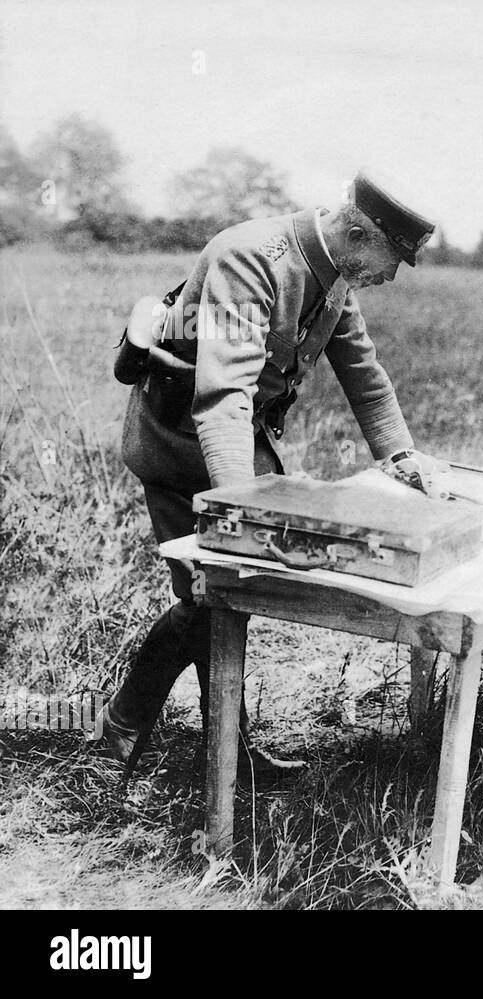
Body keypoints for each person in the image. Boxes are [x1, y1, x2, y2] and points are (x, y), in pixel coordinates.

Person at [96, 170, 443, 781]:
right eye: (392, 262)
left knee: (226, 598)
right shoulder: (248, 257)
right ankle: (130, 727)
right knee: (211, 594)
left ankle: (221, 745)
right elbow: (223, 395)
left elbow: (364, 374)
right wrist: (239, 511)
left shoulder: (335, 273)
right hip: (181, 443)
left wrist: (402, 456)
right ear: (358, 232)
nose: (391, 277)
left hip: (235, 440)